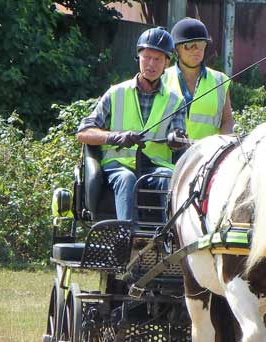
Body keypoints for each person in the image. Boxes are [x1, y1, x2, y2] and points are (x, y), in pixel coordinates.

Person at [77, 27, 187, 222]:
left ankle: (167, 238)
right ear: (138, 57)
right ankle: (126, 235)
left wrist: (177, 139)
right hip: (119, 165)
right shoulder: (116, 93)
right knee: (127, 180)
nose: (151, 64)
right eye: (147, 57)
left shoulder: (176, 101)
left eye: (158, 59)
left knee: (168, 178)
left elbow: (180, 136)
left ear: (167, 63)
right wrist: (115, 136)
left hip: (155, 167)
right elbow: (84, 133)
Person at [164, 17, 234, 140]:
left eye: (202, 44)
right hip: (168, 156)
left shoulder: (221, 80)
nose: (197, 50)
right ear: (176, 49)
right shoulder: (162, 79)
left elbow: (227, 121)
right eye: (189, 45)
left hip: (206, 157)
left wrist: (221, 148)